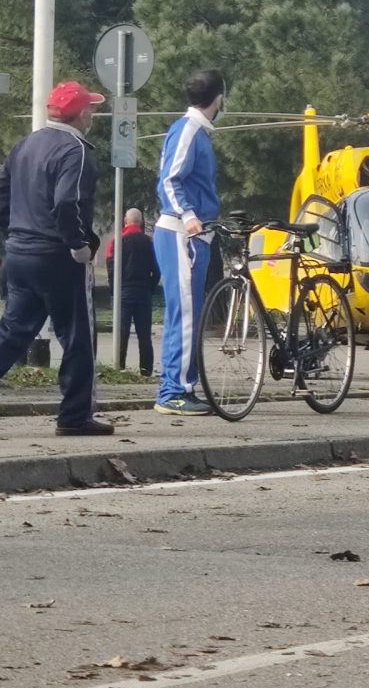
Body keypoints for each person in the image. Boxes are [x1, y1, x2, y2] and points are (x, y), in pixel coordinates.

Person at [0, 81, 114, 436]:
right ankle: (75, 416)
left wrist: (11, 235)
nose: (93, 114)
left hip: (20, 253)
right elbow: (68, 202)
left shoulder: (24, 145)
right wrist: (78, 244)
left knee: (13, 332)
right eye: (91, 109)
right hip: (57, 257)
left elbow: (2, 194)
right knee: (77, 335)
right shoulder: (75, 152)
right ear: (82, 113)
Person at [154, 68, 225, 415]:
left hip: (189, 234)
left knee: (185, 314)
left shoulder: (192, 130)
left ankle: (178, 386)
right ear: (219, 98)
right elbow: (169, 180)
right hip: (183, 234)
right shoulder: (190, 130)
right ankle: (174, 392)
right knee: (184, 315)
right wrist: (189, 216)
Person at [106, 208, 160, 375]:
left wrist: (114, 290)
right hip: (143, 292)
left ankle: (119, 367)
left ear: (125, 220)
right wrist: (150, 288)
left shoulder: (117, 240)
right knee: (144, 335)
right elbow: (157, 270)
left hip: (124, 291)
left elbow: (110, 267)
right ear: (141, 221)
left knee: (122, 333)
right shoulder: (150, 242)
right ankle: (146, 370)